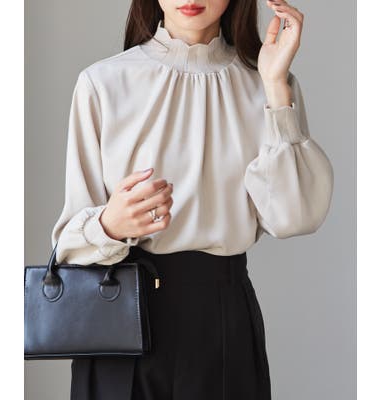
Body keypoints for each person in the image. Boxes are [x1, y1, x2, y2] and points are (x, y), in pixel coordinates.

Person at [51, 1, 334, 399]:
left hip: (221, 323)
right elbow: (67, 245)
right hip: (117, 319)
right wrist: (108, 226)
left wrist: (274, 86)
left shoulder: (268, 83)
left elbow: (295, 216)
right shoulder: (103, 83)